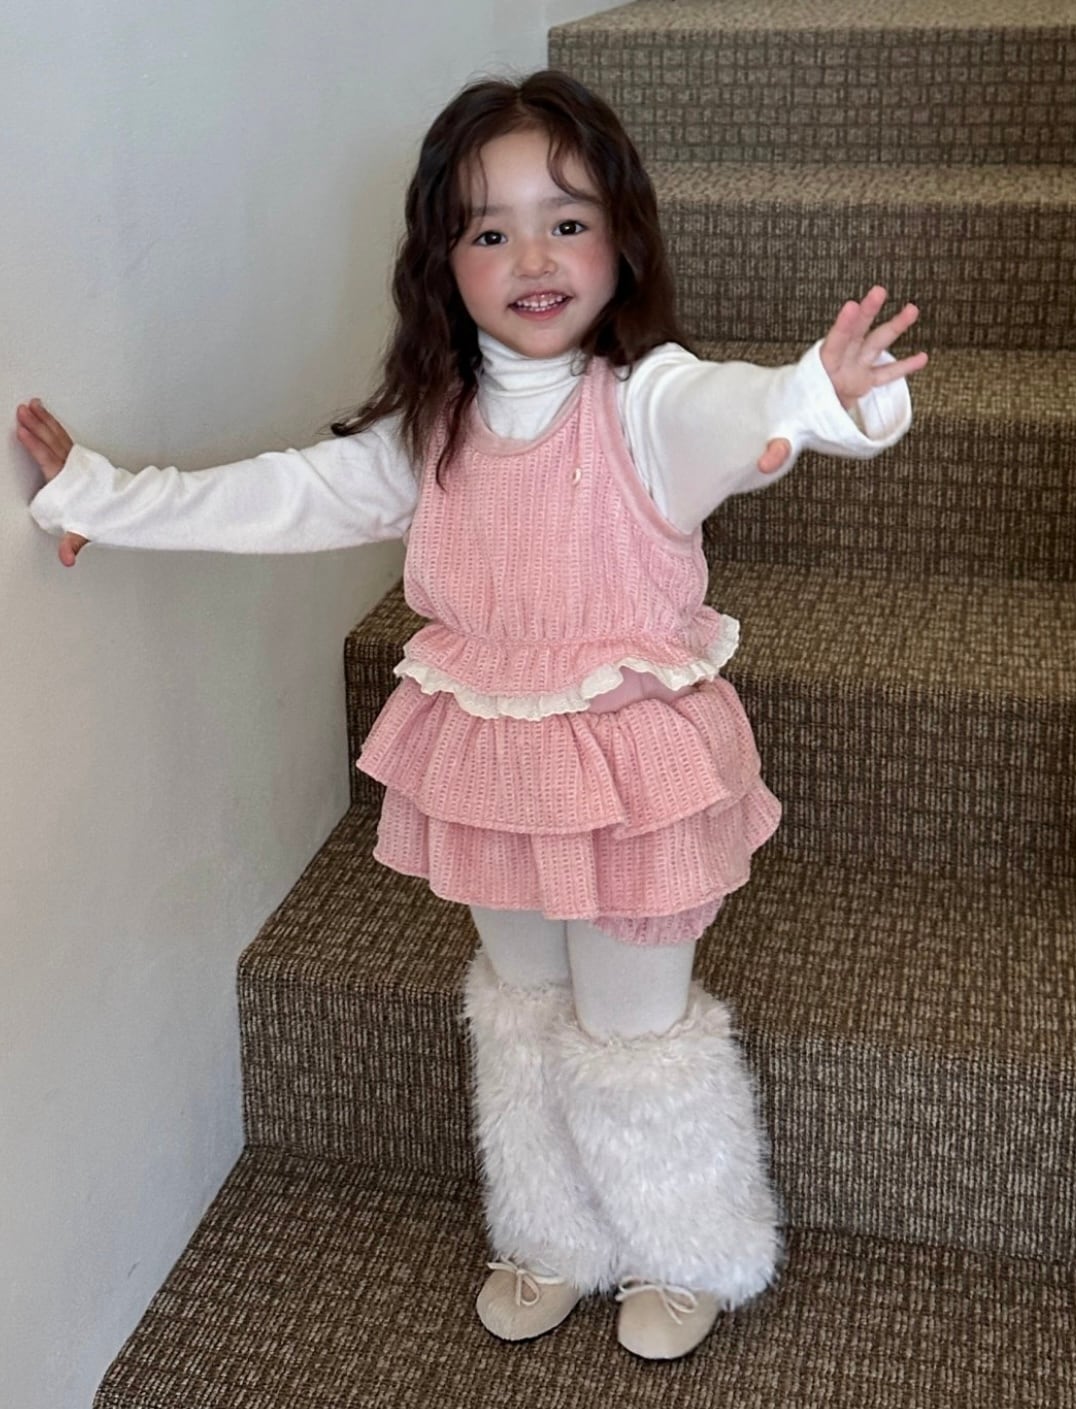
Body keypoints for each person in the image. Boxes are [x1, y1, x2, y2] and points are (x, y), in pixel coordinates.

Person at [18, 70, 927, 1361]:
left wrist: (820, 395)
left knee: (632, 1020)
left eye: (567, 220)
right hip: (495, 767)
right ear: (443, 264)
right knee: (521, 996)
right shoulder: (432, 430)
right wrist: (103, 497)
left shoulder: (647, 401)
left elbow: (739, 409)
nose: (532, 258)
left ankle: (685, 1247)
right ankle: (552, 1230)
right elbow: (285, 494)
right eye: (489, 229)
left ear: (622, 238)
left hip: (633, 776)